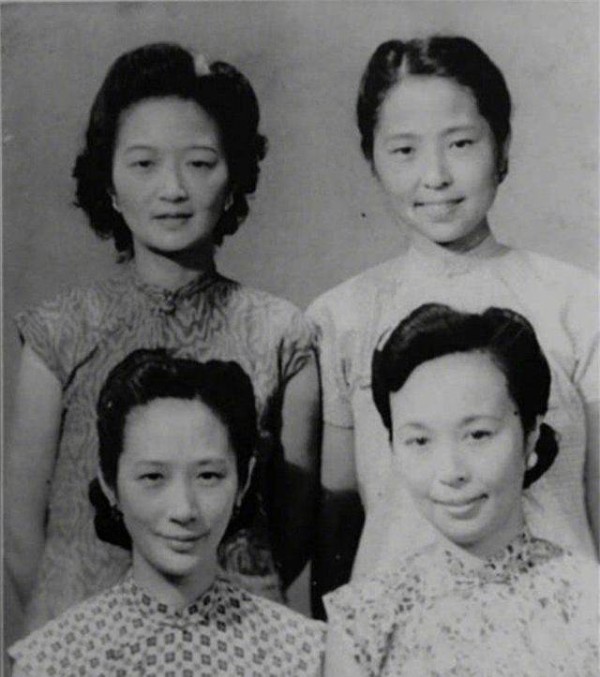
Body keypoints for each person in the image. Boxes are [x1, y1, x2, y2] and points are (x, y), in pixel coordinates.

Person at [6, 42, 320, 635]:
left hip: (239, 643)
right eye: (144, 164)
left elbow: (293, 534)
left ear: (234, 179)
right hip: (86, 641)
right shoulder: (59, 331)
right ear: (108, 183)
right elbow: (22, 536)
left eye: (199, 163)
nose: (172, 188)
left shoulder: (283, 334)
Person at [307, 35, 598, 612]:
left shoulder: (578, 302)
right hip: (398, 631)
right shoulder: (341, 318)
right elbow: (337, 528)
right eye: (404, 150)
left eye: (461, 143)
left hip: (557, 631)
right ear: (372, 160)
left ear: (502, 147)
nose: (435, 175)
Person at [9, 350, 325, 676]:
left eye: (208, 476)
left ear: (242, 482)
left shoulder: (302, 655)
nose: (184, 510)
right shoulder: (50, 661)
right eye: (153, 477)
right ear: (109, 483)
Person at [324, 304, 598, 676]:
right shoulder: (363, 620)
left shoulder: (589, 603)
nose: (451, 471)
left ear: (531, 435)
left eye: (478, 435)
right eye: (420, 440)